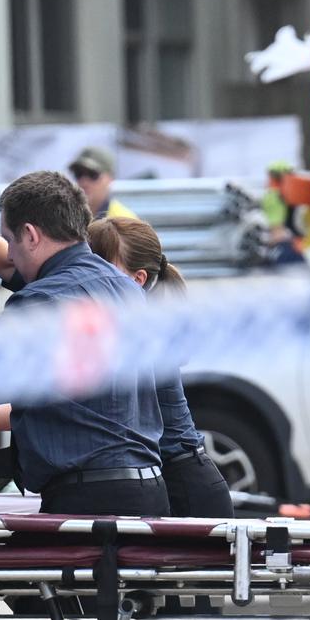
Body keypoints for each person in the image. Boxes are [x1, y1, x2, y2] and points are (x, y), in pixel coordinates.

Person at [0, 171, 167, 517]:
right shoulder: (126, 289)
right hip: (149, 490)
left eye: (11, 242)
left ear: (31, 235)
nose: (11, 257)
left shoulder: (40, 301)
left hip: (88, 500)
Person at [87, 216, 233, 518]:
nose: (85, 275)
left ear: (137, 279)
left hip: (188, 488)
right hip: (170, 480)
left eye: (98, 265)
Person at [69, 146, 136, 219]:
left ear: (110, 178)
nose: (84, 182)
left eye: (92, 174)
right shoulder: (64, 216)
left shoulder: (124, 221)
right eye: (78, 173)